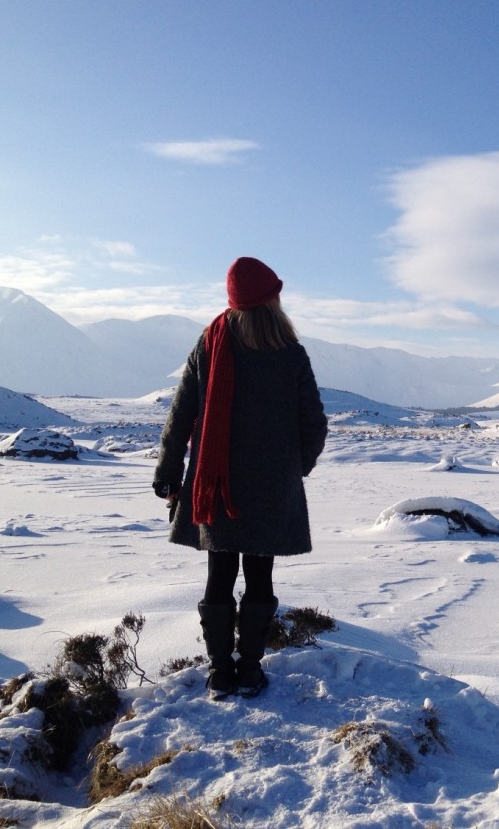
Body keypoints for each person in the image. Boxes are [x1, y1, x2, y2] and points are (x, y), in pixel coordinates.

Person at [153, 257, 328, 700]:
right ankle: (249, 670)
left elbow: (181, 415)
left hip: (217, 483)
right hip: (270, 486)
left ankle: (219, 673)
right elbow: (315, 423)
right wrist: (293, 468)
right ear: (272, 301)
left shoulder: (210, 345)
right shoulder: (290, 353)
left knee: (219, 572)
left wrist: (170, 471)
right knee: (260, 575)